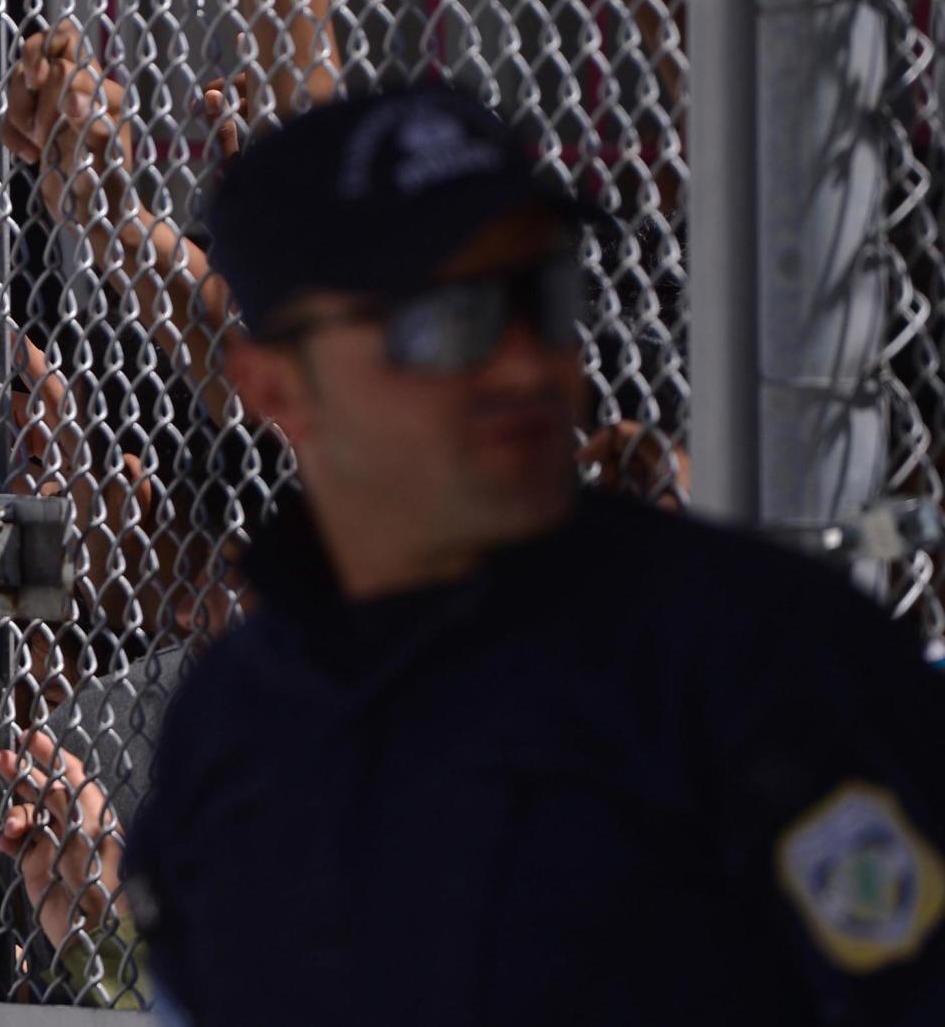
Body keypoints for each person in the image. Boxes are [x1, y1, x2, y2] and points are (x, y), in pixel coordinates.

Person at [122, 82, 945, 1025]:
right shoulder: (237, 720)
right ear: (276, 386)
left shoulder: (756, 663)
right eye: (443, 322)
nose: (525, 363)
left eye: (541, 298)